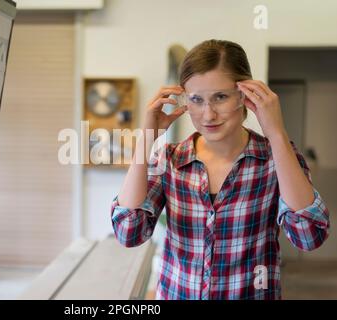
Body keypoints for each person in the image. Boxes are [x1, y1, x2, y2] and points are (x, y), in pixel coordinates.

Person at [110, 39, 330, 300]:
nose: (208, 114)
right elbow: (128, 233)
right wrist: (146, 139)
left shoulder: (275, 159)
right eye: (196, 100)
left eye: (220, 97)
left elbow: (309, 236)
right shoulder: (169, 160)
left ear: (245, 94)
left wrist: (276, 133)